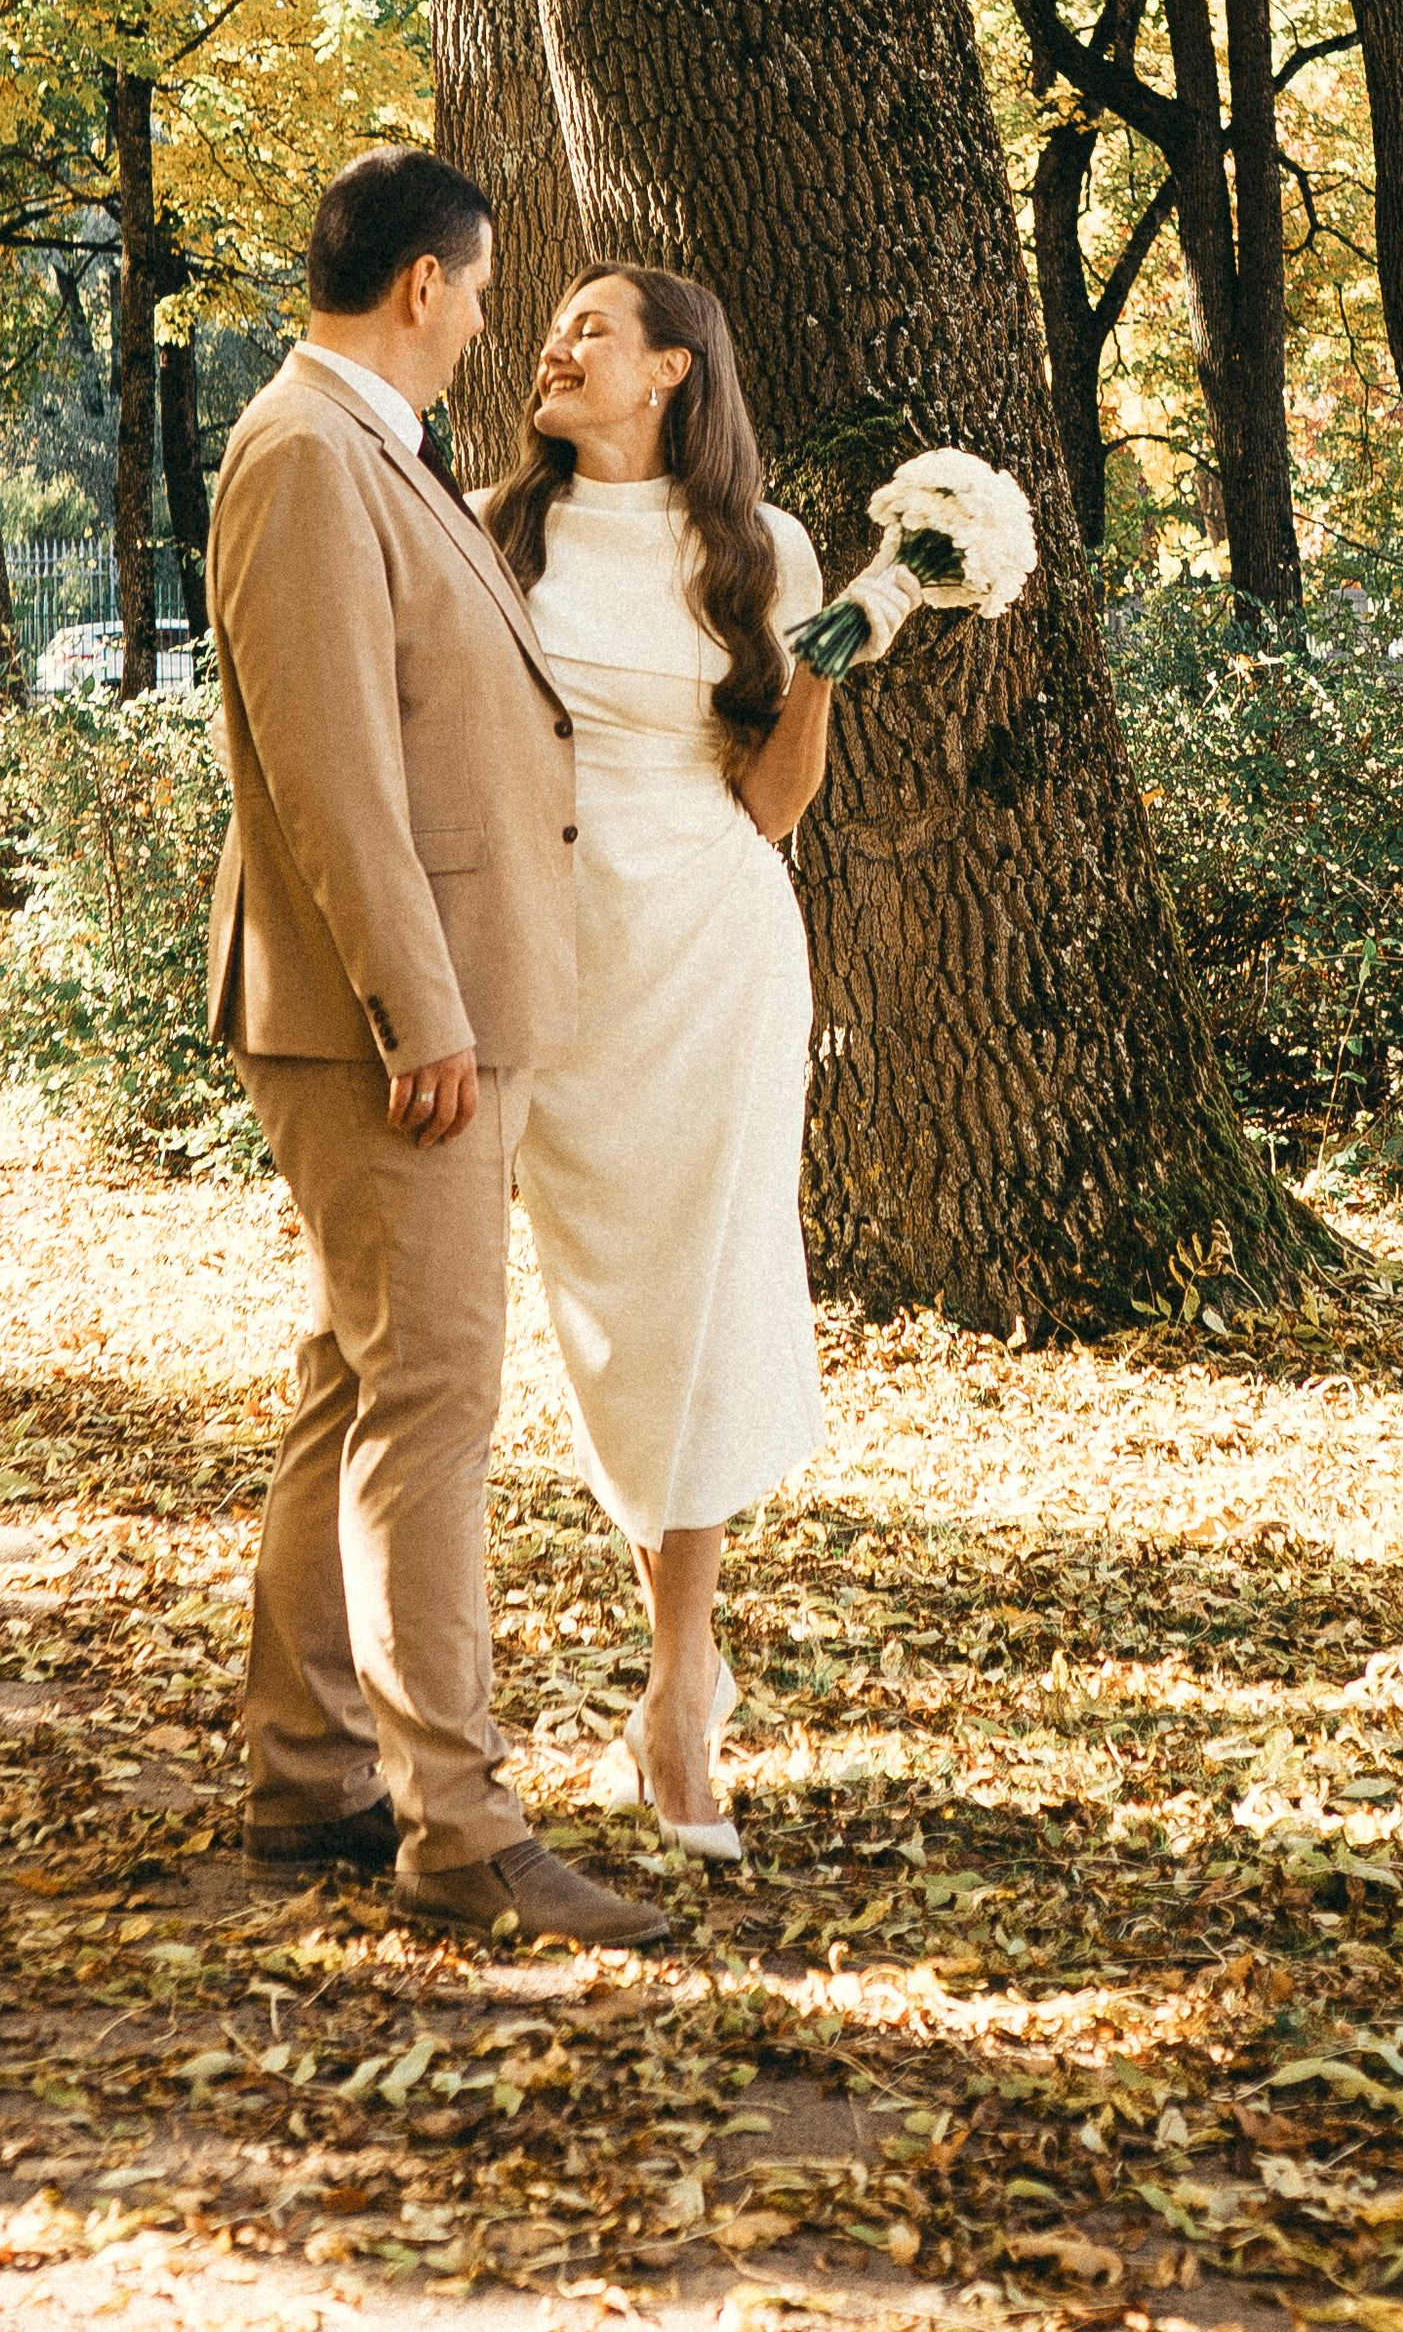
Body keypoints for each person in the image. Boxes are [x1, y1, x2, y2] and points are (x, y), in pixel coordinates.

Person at [206, 148, 668, 1950]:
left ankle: (306, 1769)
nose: (488, 321)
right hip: (388, 1025)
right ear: (423, 285)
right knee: (435, 1405)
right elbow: (330, 770)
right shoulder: (310, 458)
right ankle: (458, 1827)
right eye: (481, 290)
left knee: (359, 1383)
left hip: (423, 1008)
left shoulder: (367, 455)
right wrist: (422, 1013)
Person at [482, 265, 918, 1862]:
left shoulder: (761, 550)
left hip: (715, 946)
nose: (557, 342)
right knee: (596, 1311)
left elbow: (776, 804)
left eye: (594, 327)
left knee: (705, 1291)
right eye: (551, 325)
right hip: (550, 949)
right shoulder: (491, 528)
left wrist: (831, 657)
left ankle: (679, 1687)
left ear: (673, 366)